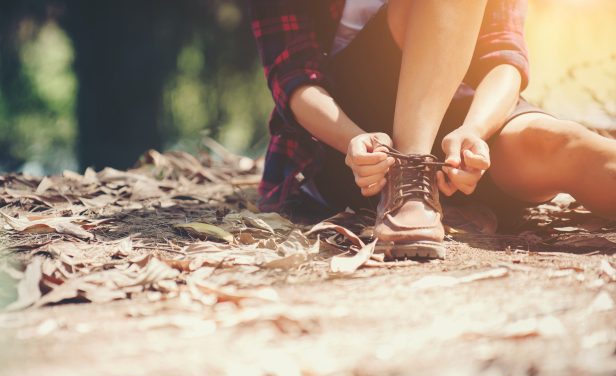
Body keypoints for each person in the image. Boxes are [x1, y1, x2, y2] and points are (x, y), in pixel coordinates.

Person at [249, 0, 616, 259]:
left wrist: (474, 129)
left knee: (557, 145)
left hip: (459, 111)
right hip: (348, 142)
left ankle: (441, 191)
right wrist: (352, 140)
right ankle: (410, 184)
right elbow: (294, 76)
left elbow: (503, 55)